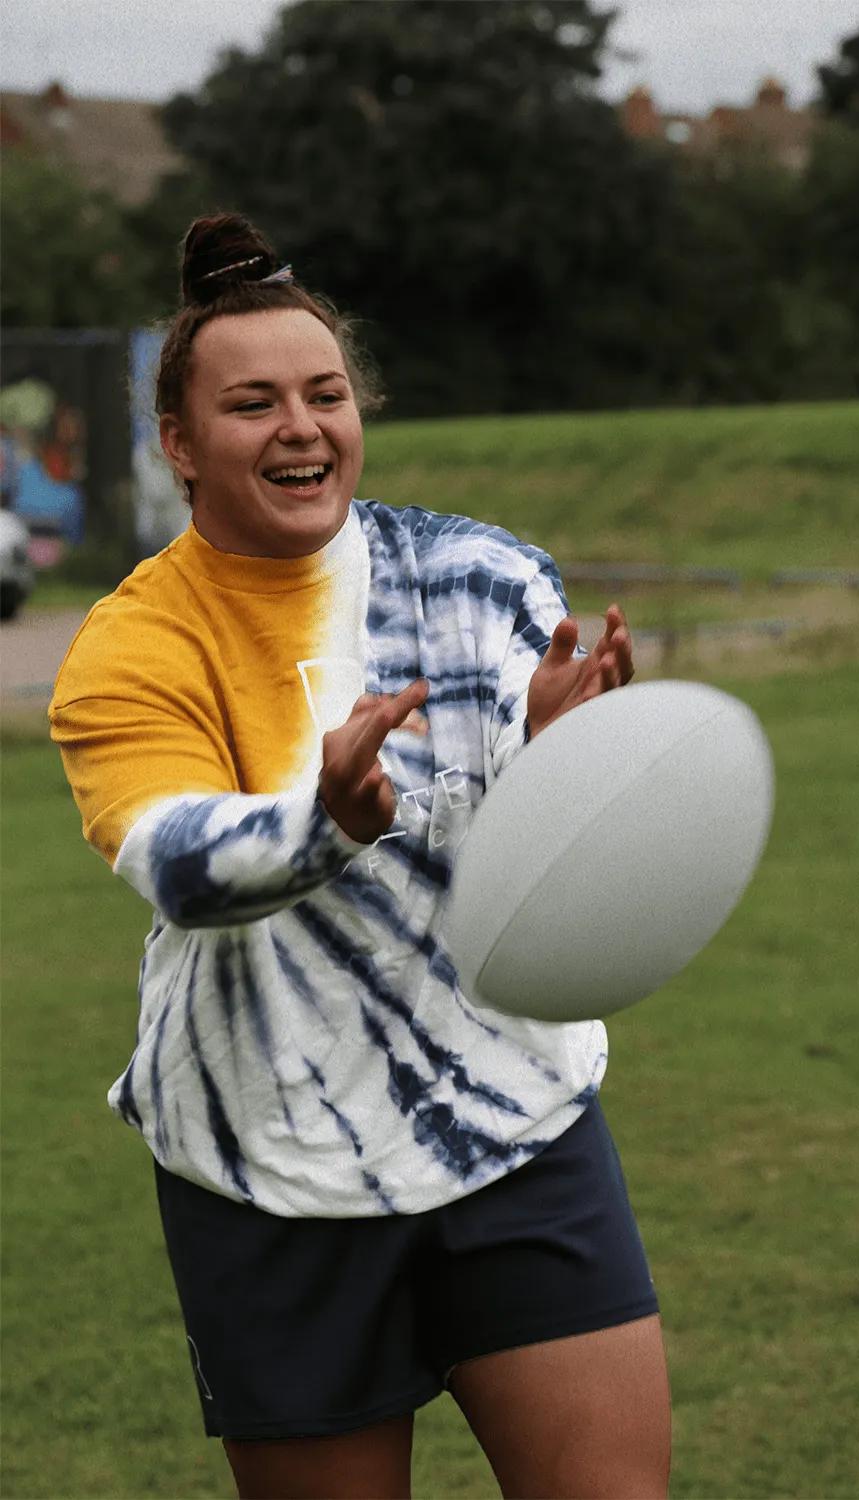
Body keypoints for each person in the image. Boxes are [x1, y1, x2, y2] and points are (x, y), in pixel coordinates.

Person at [49, 213, 671, 1500]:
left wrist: (570, 751)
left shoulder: (479, 576)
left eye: (325, 394)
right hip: (267, 1154)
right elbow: (172, 861)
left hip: (511, 1114)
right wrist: (323, 817)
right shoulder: (132, 644)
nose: (300, 426)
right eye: (252, 403)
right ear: (178, 442)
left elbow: (550, 815)